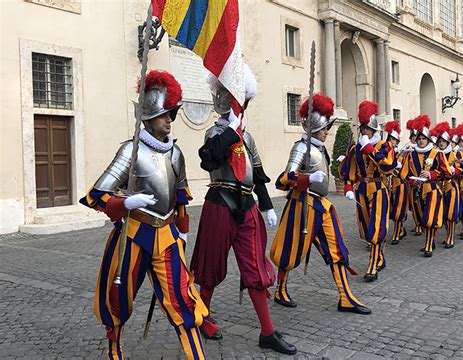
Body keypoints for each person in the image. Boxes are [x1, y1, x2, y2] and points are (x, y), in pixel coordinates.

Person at [80, 70, 208, 360]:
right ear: (148, 116)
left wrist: (183, 233)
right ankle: (114, 348)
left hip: (167, 236)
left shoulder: (176, 154)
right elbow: (96, 195)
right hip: (133, 234)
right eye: (164, 114)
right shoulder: (130, 150)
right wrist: (124, 203)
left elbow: (180, 197)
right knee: (119, 298)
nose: (170, 119)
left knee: (182, 300)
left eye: (171, 113)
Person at [190, 65, 296, 355]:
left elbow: (258, 175)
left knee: (255, 269)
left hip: (247, 205)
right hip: (220, 202)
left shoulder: (247, 137)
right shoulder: (215, 133)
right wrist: (232, 130)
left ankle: (267, 331)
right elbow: (211, 159)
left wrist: (267, 205)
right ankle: (202, 315)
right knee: (211, 266)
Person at [270, 93, 371, 315]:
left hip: (322, 206)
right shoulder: (301, 148)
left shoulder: (321, 148)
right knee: (290, 251)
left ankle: (345, 297)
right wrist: (306, 179)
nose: (327, 131)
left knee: (337, 250)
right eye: (325, 128)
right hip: (302, 207)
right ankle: (280, 289)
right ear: (315, 129)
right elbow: (283, 180)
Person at [339, 101, 396, 282]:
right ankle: (379, 256)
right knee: (365, 229)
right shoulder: (356, 149)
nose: (364, 132)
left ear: (374, 130)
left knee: (376, 228)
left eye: (367, 129)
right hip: (361, 190)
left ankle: (372, 265)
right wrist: (348, 187)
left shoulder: (384, 146)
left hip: (378, 189)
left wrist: (369, 149)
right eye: (362, 128)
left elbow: (388, 166)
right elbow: (350, 170)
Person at [399, 115, 451, 257]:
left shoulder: (437, 154)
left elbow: (446, 172)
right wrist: (411, 181)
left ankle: (428, 245)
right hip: (416, 191)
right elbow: (403, 174)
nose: (421, 141)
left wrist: (431, 174)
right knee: (421, 220)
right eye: (419, 138)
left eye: (423, 138)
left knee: (429, 219)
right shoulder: (411, 155)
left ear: (428, 140)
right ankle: (430, 239)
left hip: (432, 190)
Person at [431, 122, 460, 248]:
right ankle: (447, 235)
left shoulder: (454, 154)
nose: (441, 143)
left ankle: (451, 237)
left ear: (448, 142)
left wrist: (454, 170)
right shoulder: (436, 155)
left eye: (443, 141)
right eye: (439, 141)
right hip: (438, 186)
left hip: (450, 186)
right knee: (442, 214)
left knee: (450, 214)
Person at [385, 121, 408, 245]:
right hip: (388, 185)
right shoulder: (385, 152)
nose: (391, 141)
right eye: (390, 139)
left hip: (399, 183)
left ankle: (397, 231)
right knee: (389, 209)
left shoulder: (401, 154)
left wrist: (400, 167)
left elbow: (406, 169)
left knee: (399, 209)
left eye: (393, 140)